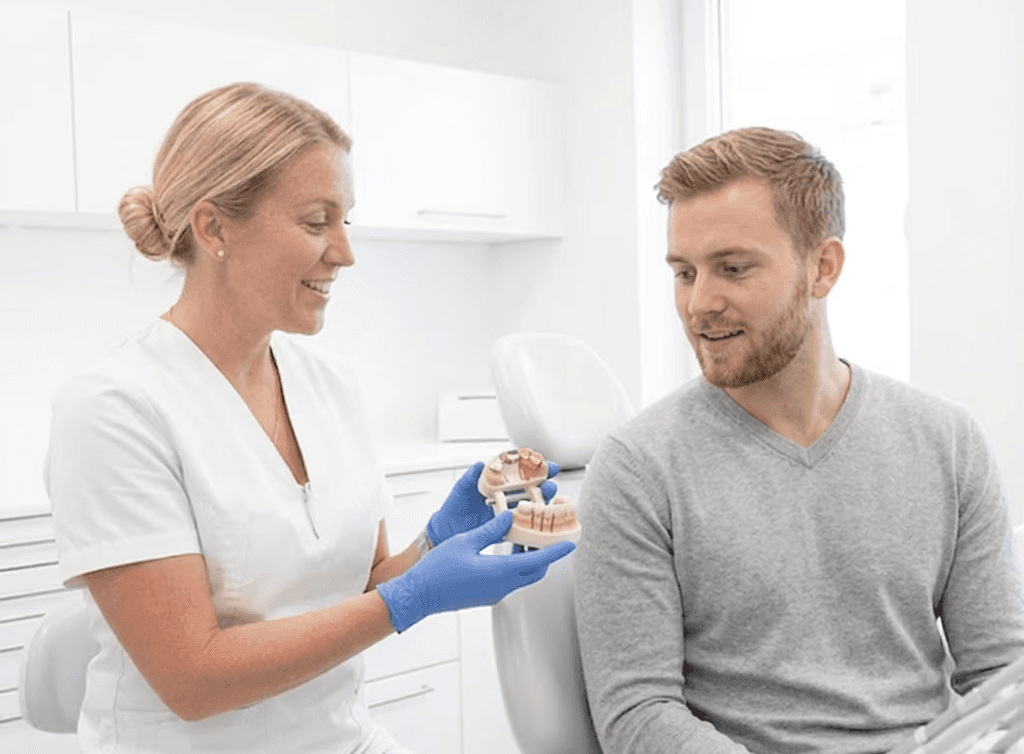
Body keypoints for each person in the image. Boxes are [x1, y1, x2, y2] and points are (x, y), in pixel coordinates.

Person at [45, 81, 574, 754]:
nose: (345, 253)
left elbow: (360, 587)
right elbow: (191, 678)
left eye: (345, 221)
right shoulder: (115, 408)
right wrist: (409, 600)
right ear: (214, 228)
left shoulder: (331, 385)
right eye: (316, 221)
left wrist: (436, 545)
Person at [573, 126, 1024, 754]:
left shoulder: (948, 443)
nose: (700, 303)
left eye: (732, 268)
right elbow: (637, 716)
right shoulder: (637, 468)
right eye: (684, 272)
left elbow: (1001, 683)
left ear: (823, 267)